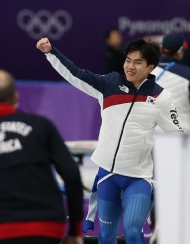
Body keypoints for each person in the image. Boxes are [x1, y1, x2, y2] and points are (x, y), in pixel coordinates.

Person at [36, 37, 183, 244]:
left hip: (138, 178)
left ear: (150, 66)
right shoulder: (108, 84)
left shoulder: (161, 98)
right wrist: (51, 53)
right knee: (106, 237)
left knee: (132, 232)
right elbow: (75, 74)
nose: (130, 66)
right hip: (108, 177)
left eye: (137, 62)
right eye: (128, 60)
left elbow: (178, 135)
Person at [0, 69, 84, 244]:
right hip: (46, 224)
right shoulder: (41, 125)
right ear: (16, 97)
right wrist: (76, 229)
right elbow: (71, 174)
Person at [151, 33, 190, 133]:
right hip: (181, 138)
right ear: (180, 52)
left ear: (161, 49)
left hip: (152, 137)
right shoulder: (187, 74)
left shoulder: (145, 72)